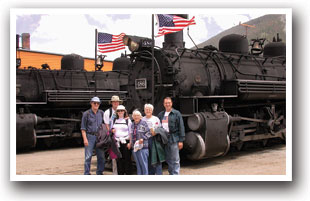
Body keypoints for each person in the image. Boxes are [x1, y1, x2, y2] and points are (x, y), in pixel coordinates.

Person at [157, 97, 185, 175]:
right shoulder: (161, 114)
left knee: (175, 159)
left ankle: (175, 175)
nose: (167, 104)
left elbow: (181, 126)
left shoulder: (176, 113)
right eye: (166, 103)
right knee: (168, 159)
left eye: (169, 103)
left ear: (171, 103)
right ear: (163, 104)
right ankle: (171, 174)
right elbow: (157, 126)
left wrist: (181, 140)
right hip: (164, 139)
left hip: (174, 138)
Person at [81, 97, 105, 175]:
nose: (96, 105)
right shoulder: (86, 114)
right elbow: (83, 128)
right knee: (88, 156)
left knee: (101, 156)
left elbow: (107, 123)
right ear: (91, 103)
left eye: (98, 103)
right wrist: (85, 139)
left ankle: (99, 172)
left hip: (99, 137)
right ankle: (87, 173)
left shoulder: (101, 113)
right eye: (94, 103)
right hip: (90, 136)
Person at [110, 105, 133, 175]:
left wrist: (130, 143)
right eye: (118, 111)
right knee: (119, 160)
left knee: (127, 159)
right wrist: (112, 130)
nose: (120, 112)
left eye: (121, 110)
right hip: (117, 142)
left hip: (125, 142)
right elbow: (111, 130)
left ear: (124, 111)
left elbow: (130, 132)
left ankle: (128, 174)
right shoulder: (113, 120)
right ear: (116, 112)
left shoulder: (128, 120)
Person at [103, 95, 123, 175]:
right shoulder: (108, 112)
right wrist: (111, 134)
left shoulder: (122, 111)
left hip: (122, 136)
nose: (115, 103)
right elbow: (107, 125)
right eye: (114, 102)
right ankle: (115, 173)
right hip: (113, 136)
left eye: (117, 102)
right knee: (114, 155)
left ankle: (121, 171)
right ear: (111, 103)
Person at [128, 110, 151, 175]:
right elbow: (131, 135)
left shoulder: (144, 123)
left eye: (138, 115)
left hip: (143, 147)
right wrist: (130, 143)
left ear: (140, 117)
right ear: (133, 117)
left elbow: (149, 133)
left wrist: (143, 139)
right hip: (135, 148)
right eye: (135, 116)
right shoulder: (132, 125)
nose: (136, 117)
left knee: (144, 164)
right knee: (138, 164)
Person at [142, 104, 163, 175]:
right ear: (144, 111)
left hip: (155, 139)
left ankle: (159, 174)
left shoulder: (156, 119)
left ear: (152, 110)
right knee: (148, 158)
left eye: (149, 109)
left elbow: (160, 128)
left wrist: (155, 132)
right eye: (146, 109)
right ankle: (150, 174)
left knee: (157, 157)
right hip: (145, 140)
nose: (148, 111)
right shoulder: (142, 119)